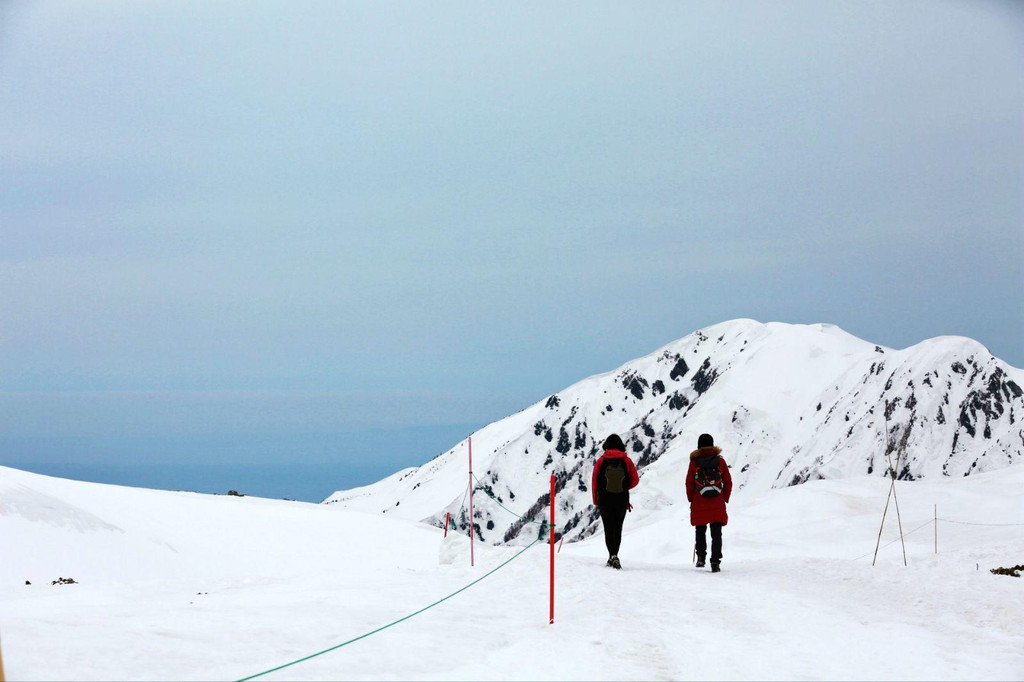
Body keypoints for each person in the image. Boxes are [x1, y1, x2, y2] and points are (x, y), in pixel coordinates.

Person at [685, 433, 732, 572]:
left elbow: (689, 482)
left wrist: (691, 498)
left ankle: (701, 557)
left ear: (699, 445)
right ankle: (715, 561)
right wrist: (725, 497)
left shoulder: (694, 462)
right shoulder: (720, 461)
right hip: (717, 502)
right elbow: (728, 481)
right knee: (716, 532)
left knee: (700, 530)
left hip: (699, 501)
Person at [592, 434, 639, 569]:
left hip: (605, 500)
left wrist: (596, 499)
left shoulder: (601, 461)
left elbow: (595, 481)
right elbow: (635, 480)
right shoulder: (627, 461)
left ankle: (611, 555)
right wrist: (624, 487)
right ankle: (615, 555)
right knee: (617, 528)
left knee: (608, 528)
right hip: (621, 499)